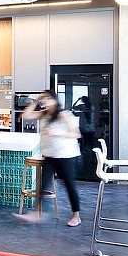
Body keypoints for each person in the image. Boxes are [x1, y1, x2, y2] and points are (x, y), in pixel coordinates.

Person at [17, 91, 83, 227]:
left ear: (54, 100)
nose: (44, 100)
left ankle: (76, 216)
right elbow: (25, 115)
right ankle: (37, 213)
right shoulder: (44, 114)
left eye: (47, 98)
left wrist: (59, 133)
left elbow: (76, 133)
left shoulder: (63, 115)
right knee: (42, 185)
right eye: (43, 98)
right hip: (50, 155)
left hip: (66, 155)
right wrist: (36, 101)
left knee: (69, 185)